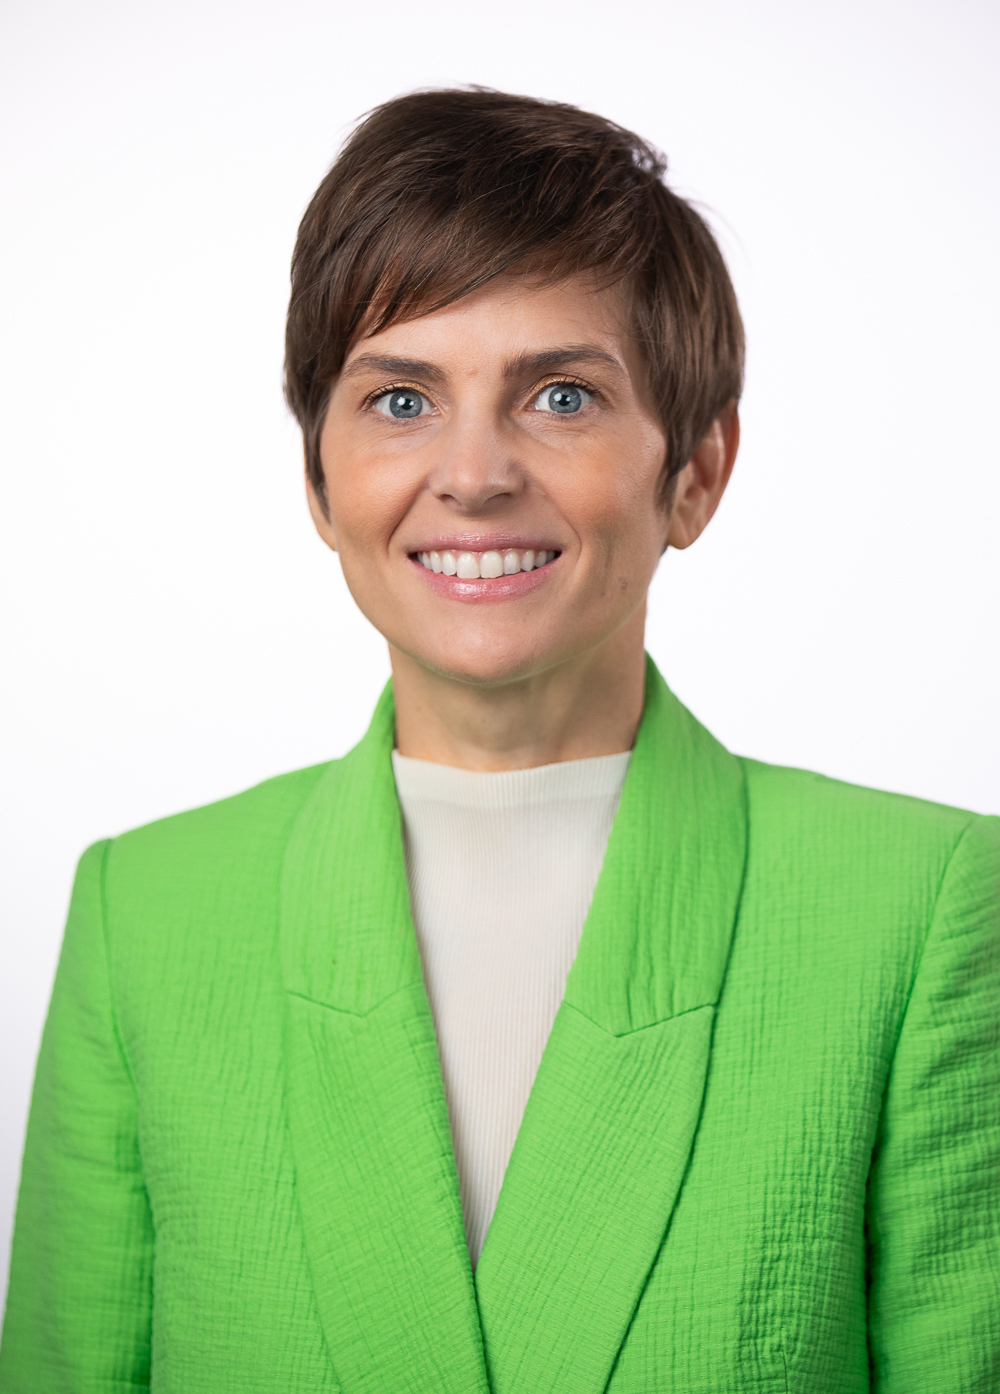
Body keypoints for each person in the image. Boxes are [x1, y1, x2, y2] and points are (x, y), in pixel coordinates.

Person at [1, 88, 997, 1394]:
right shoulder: (147, 913)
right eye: (400, 401)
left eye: (563, 396)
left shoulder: (918, 908)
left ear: (696, 470)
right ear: (318, 478)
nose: (473, 472)